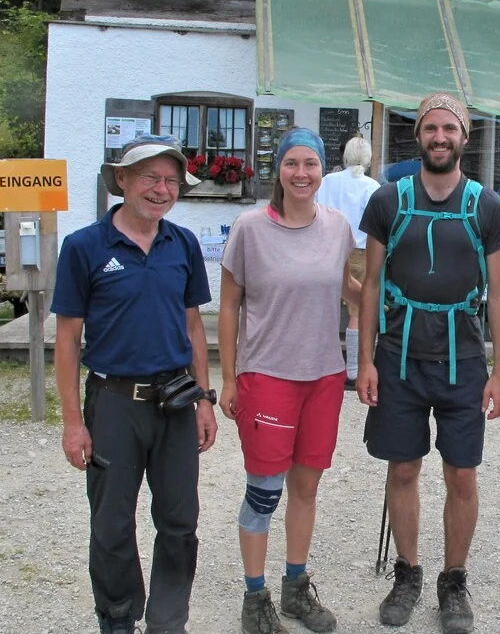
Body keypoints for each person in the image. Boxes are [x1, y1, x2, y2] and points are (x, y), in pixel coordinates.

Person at [356, 92, 500, 634]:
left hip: (463, 357)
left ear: (465, 137)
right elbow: (371, 283)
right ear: (417, 136)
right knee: (402, 468)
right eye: (431, 128)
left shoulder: (486, 206)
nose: (440, 137)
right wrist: (365, 361)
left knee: (461, 473)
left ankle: (454, 580)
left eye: (450, 128)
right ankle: (408, 573)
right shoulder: (388, 201)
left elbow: (498, 293)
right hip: (397, 356)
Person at [53, 134, 217, 634]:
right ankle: (119, 617)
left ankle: (168, 621)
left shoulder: (182, 243)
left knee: (179, 523)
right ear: (121, 180)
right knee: (111, 524)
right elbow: (67, 337)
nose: (161, 189)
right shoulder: (83, 247)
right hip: (113, 403)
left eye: (171, 180)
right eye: (150, 177)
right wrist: (72, 423)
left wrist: (205, 400)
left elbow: (193, 325)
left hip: (175, 403)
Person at [218, 127, 362, 634]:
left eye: (311, 164)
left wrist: (400, 298)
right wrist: (230, 377)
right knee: (264, 491)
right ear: (277, 170)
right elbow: (230, 304)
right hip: (267, 375)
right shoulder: (250, 228)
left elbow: (349, 289)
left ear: (324, 171)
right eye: (292, 164)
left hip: (323, 374)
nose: (302, 173)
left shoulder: (339, 226)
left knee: (306, 486)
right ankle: (254, 598)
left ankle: (295, 587)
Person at [315, 133, 380, 386]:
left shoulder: (327, 181)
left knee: (327, 308)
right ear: (367, 159)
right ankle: (353, 369)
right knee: (358, 310)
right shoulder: (372, 187)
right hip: (362, 252)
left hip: (329, 248)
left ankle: (324, 364)